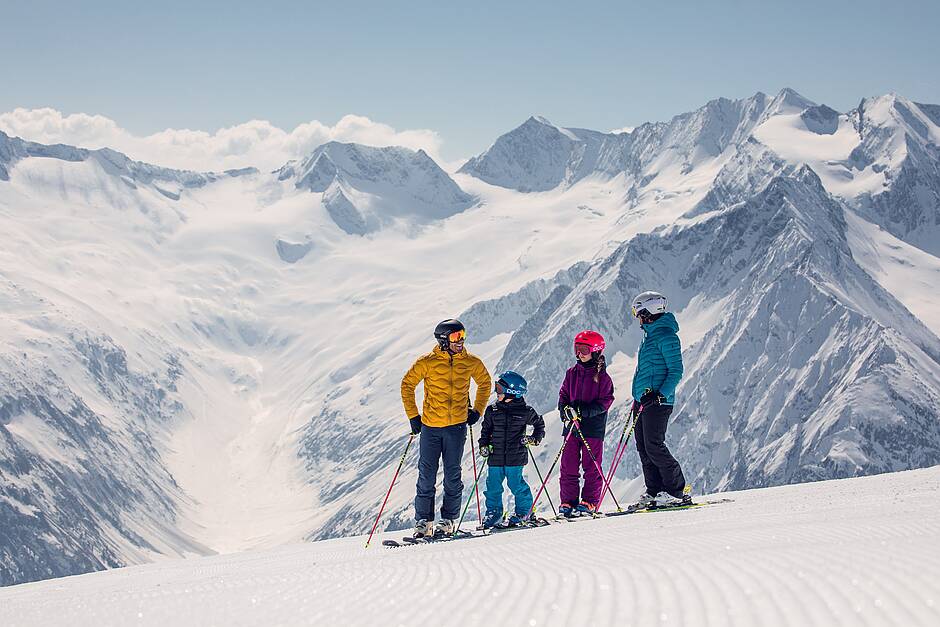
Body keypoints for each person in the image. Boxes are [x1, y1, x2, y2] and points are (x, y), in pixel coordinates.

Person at [401, 319, 491, 537]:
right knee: (426, 475)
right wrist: (413, 416)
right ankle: (424, 522)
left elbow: (485, 383)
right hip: (430, 428)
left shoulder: (470, 362)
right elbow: (407, 385)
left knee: (452, 475)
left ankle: (448, 520)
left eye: (463, 335)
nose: (461, 340)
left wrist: (477, 410)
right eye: (455, 337)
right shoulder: (427, 362)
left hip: (456, 428)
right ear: (443, 340)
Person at [629, 291, 691, 509]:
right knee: (643, 448)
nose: (637, 317)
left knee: (654, 445)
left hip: (658, 402)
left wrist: (659, 394)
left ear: (648, 312)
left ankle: (676, 491)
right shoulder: (649, 336)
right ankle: (654, 491)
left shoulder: (666, 336)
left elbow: (676, 371)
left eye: (638, 312)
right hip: (642, 401)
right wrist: (638, 396)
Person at [557, 330, 615, 517]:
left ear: (595, 351)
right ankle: (568, 501)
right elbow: (563, 395)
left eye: (584, 350)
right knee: (568, 465)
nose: (579, 354)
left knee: (591, 466)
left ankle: (590, 501)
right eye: (577, 349)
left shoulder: (603, 378)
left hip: (592, 428)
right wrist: (565, 410)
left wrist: (583, 412)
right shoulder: (571, 373)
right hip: (571, 426)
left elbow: (605, 402)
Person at [478, 371, 546, 528]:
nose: (497, 392)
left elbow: (539, 425)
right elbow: (485, 431)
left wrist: (534, 439)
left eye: (499, 389)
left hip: (515, 456)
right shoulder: (492, 410)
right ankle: (494, 513)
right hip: (495, 456)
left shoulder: (525, 411)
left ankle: (524, 511)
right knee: (493, 486)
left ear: (512, 392)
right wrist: (483, 445)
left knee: (516, 484)